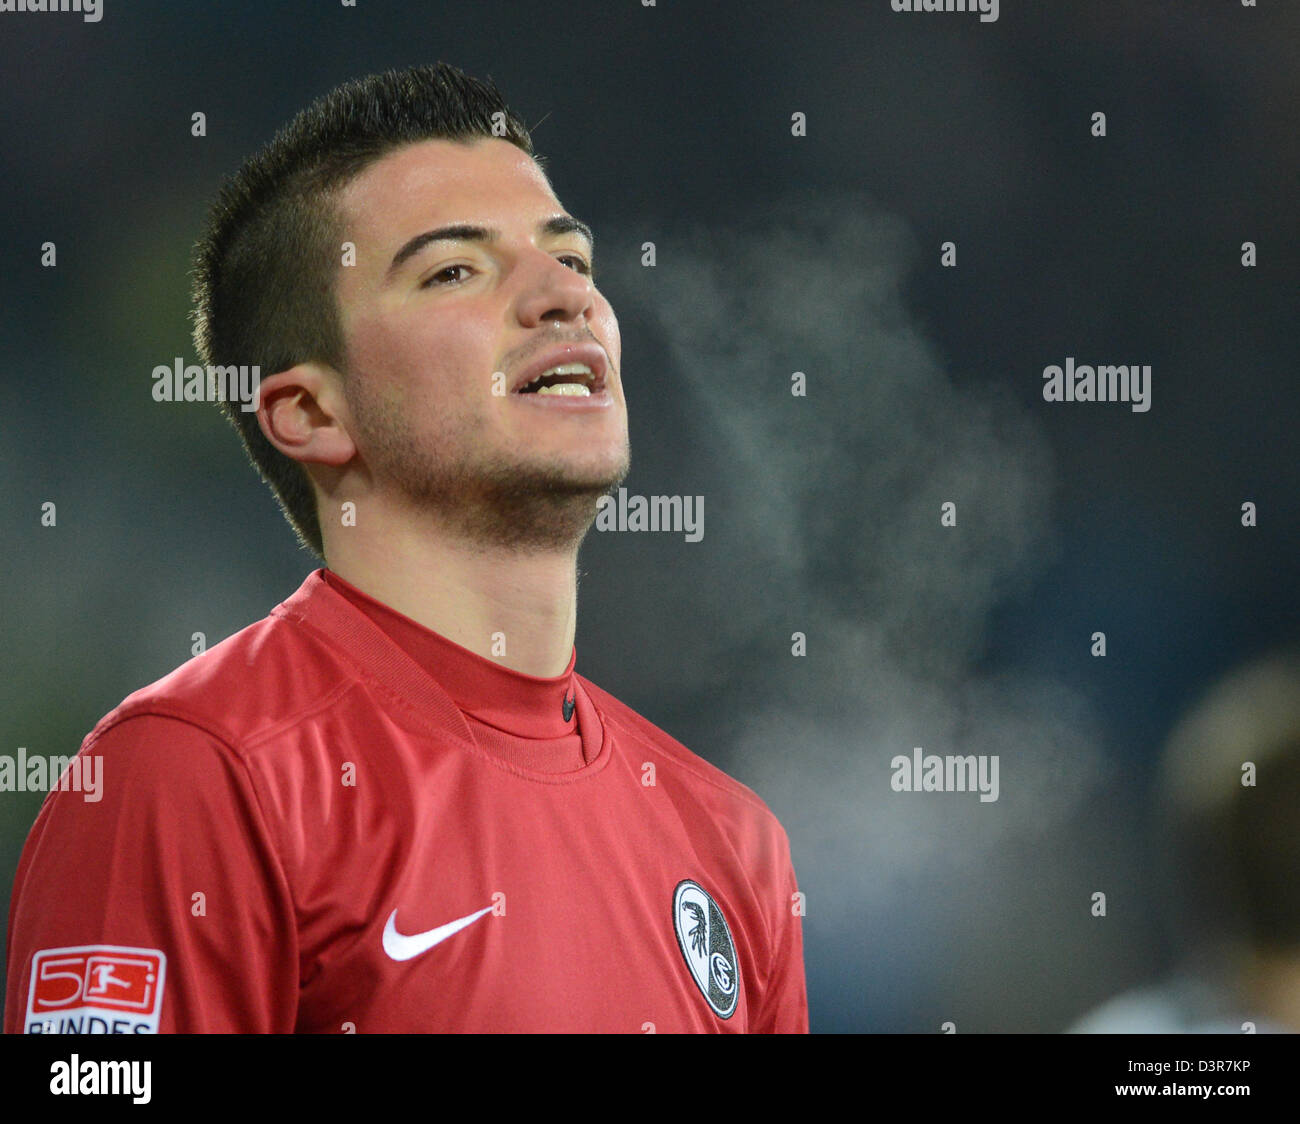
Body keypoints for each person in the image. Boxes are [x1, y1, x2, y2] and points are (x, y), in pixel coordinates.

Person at [4, 63, 807, 1034]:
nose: (562, 299)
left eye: (572, 260)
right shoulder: (196, 776)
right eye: (454, 271)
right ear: (310, 410)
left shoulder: (729, 843)